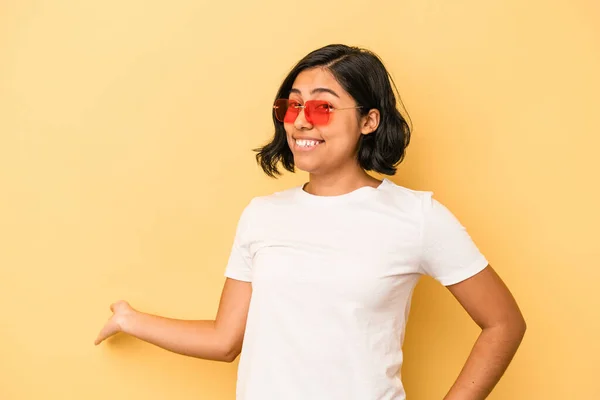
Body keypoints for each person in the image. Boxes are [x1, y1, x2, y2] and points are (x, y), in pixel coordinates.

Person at [95, 44, 526, 400]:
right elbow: (225, 340)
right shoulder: (262, 215)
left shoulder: (417, 217)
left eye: (322, 107)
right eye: (293, 105)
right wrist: (131, 319)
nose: (300, 120)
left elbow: (503, 323)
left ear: (368, 121)